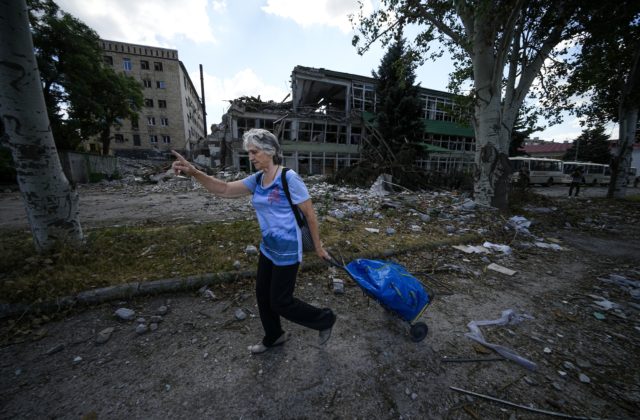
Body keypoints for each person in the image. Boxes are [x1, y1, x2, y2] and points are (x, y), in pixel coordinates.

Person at [171, 128, 336, 354]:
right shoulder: (258, 180)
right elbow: (225, 189)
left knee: (280, 301)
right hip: (268, 249)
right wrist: (194, 172)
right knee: (262, 294)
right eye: (249, 152)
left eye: (254, 152)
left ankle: (325, 319)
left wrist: (318, 247)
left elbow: (310, 214)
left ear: (270, 150)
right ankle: (274, 335)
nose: (251, 157)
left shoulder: (289, 178)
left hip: (287, 251)